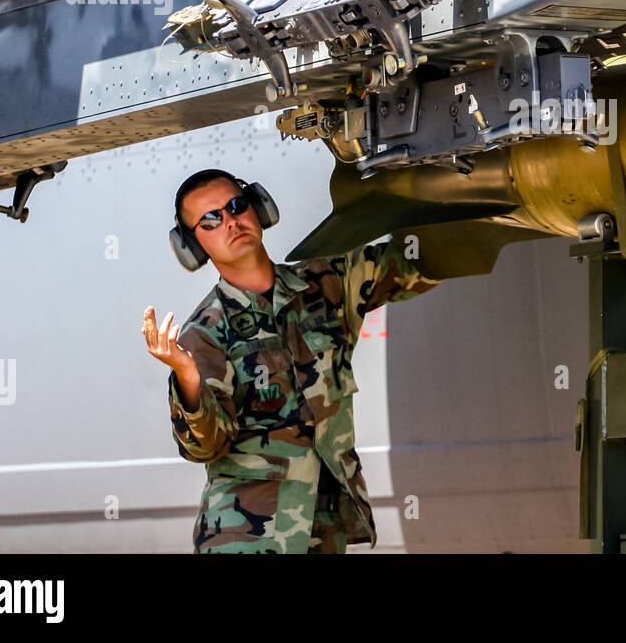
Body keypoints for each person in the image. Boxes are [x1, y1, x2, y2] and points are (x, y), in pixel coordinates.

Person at [141, 168, 441, 553]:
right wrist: (187, 375)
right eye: (211, 220)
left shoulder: (327, 283)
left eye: (236, 206)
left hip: (324, 528)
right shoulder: (204, 334)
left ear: (259, 207)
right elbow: (204, 447)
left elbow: (425, 262)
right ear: (193, 245)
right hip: (247, 539)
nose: (230, 221)